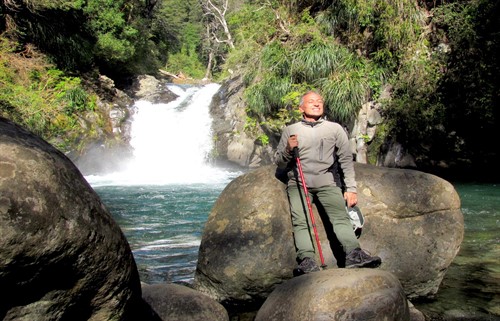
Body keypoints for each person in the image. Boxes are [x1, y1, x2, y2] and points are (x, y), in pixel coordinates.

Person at [275, 91, 381, 273]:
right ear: (301, 108)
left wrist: (351, 188)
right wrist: (288, 149)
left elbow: (346, 160)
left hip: (327, 182)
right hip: (299, 183)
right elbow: (280, 162)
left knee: (340, 217)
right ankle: (307, 260)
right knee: (301, 221)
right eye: (311, 102)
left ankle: (353, 254)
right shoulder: (290, 131)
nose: (316, 104)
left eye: (319, 101)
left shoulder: (335, 129)